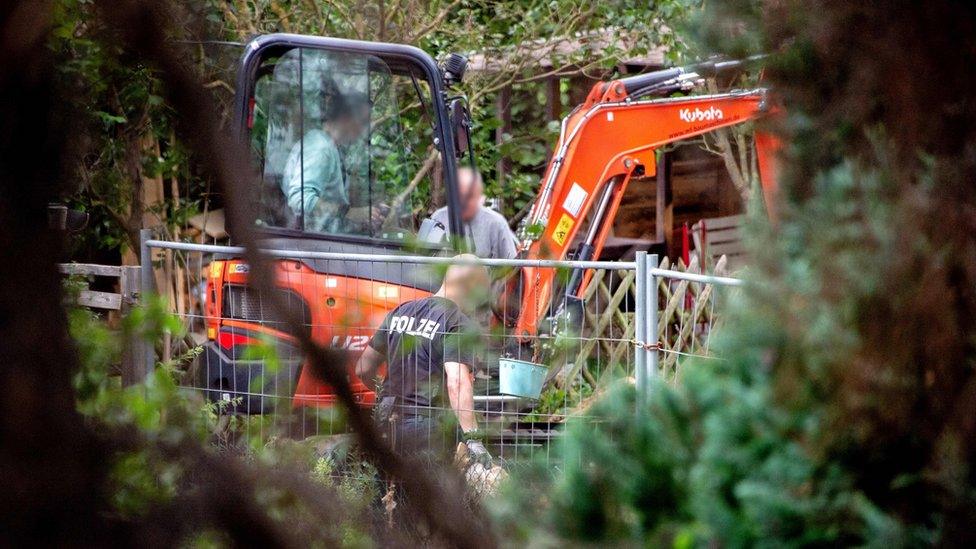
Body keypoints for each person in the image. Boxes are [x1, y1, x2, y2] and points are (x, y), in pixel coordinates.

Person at [355, 256, 491, 462]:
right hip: (426, 428)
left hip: (385, 419)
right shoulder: (456, 322)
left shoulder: (401, 311)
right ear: (471, 286)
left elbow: (363, 368)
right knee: (430, 492)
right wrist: (473, 439)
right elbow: (458, 382)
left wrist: (386, 394)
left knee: (387, 490)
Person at [281, 89, 383, 233]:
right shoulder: (321, 149)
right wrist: (350, 212)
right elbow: (298, 199)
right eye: (363, 121)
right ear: (346, 118)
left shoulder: (329, 145)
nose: (364, 129)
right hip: (311, 242)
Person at [432, 167, 517, 259]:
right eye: (459, 196)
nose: (463, 202)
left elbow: (512, 268)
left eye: (469, 196)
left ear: (479, 196)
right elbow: (422, 265)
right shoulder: (438, 220)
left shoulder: (495, 223)